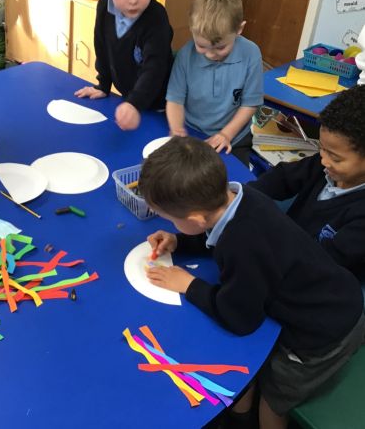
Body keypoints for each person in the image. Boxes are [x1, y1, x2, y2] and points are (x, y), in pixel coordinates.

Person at [138, 136, 365, 429]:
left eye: (172, 220)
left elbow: (240, 318)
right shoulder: (242, 196)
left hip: (323, 334)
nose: (172, 225)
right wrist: (179, 242)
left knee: (274, 399)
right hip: (337, 294)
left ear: (195, 219)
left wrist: (188, 284)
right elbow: (216, 233)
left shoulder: (242, 245)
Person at [250, 86, 365, 278]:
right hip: (285, 247)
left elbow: (319, 264)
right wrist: (240, 197)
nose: (324, 160)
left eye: (335, 158)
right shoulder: (324, 165)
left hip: (316, 277)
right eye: (322, 148)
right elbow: (282, 178)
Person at [74, 0, 173, 131]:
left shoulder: (156, 18)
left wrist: (134, 103)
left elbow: (154, 68)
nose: (133, 0)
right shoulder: (104, 6)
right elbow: (101, 47)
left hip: (159, 106)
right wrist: (103, 85)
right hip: (129, 100)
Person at [165, 0, 263, 165]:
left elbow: (250, 104)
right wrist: (177, 128)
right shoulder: (185, 55)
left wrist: (226, 134)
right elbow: (175, 100)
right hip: (192, 133)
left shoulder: (251, 53)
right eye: (201, 46)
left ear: (239, 29)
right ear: (191, 29)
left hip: (235, 137)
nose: (210, 54)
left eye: (220, 47)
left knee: (234, 177)